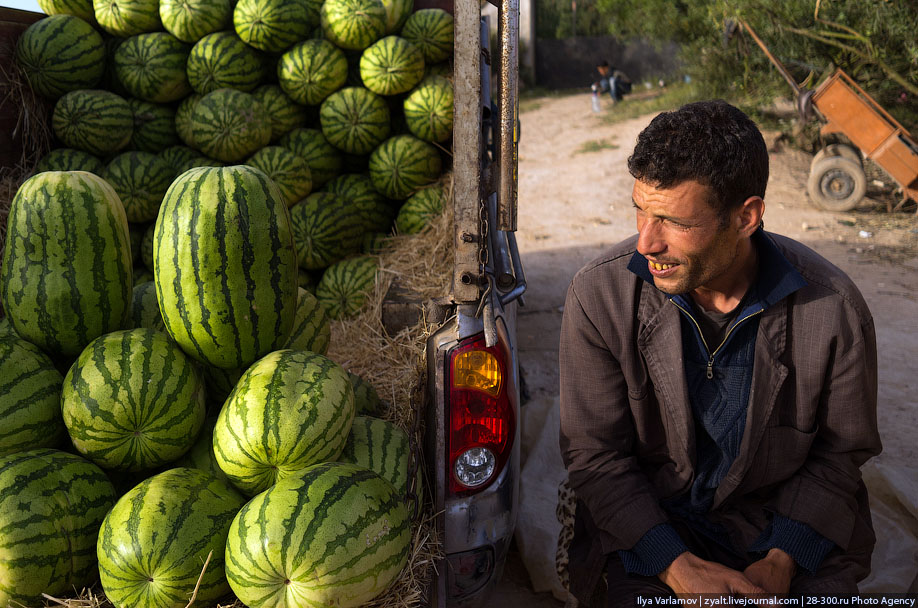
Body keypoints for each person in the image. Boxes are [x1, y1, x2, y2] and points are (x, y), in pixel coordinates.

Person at [559, 100, 881, 607]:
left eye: (673, 221)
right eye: (641, 210)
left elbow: (839, 456)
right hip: (652, 529)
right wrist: (677, 568)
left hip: (779, 528)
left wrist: (780, 561)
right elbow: (596, 457)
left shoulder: (832, 309)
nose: (647, 242)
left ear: (746, 217)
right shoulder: (600, 296)